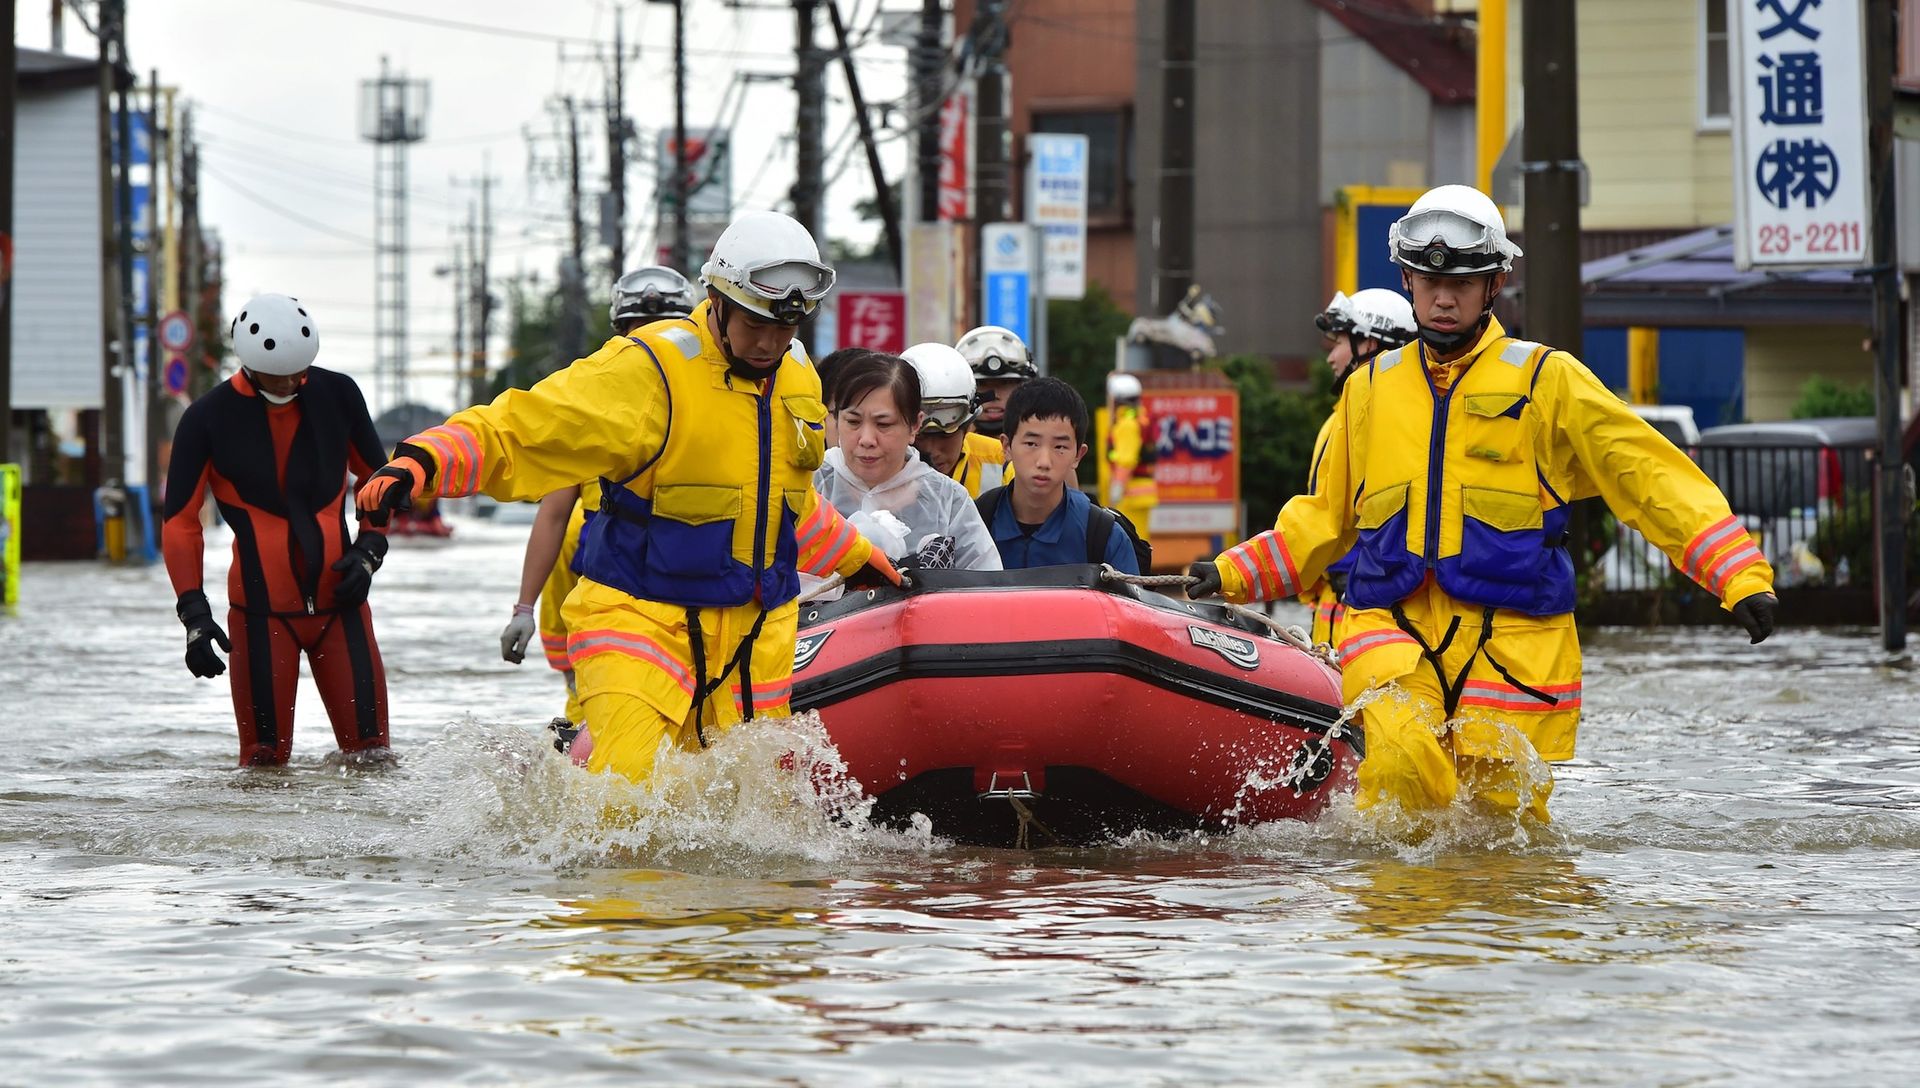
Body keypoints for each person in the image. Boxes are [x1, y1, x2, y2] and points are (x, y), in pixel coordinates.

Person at [1186, 184, 1778, 822]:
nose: (1444, 298)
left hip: (1512, 643)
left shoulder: (1547, 381)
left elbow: (1648, 475)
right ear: (1409, 281)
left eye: (1464, 282)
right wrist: (1228, 573)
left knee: (1499, 826)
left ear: (1495, 284)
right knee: (1399, 775)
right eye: (1429, 280)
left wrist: (1739, 577)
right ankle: (1399, 921)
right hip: (1392, 630)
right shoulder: (1367, 394)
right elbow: (1321, 520)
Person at [358, 210, 899, 783]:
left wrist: (861, 561)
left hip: (751, 641)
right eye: (754, 325)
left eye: (784, 328)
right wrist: (421, 462)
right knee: (626, 805)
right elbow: (522, 427)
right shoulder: (648, 370)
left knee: (750, 819)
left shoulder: (797, 376)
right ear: (717, 299)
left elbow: (785, 505)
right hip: (641, 623)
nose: (769, 342)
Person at [162, 294, 393, 766]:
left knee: (373, 760)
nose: (290, 382)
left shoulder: (338, 395)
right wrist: (194, 615)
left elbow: (380, 479)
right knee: (263, 766)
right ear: (248, 363)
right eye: (278, 374)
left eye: (298, 372)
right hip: (260, 616)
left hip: (341, 605)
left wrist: (370, 546)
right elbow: (182, 523)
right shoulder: (206, 419)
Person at [499, 266, 698, 739]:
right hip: (604, 581)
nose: (654, 346)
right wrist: (524, 609)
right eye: (640, 334)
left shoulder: (721, 398)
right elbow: (553, 514)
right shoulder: (594, 404)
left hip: (690, 582)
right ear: (621, 337)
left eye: (666, 331)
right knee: (597, 710)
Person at [1301, 288, 1418, 646]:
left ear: (1367, 343)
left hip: (1368, 614)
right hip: (1338, 612)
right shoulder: (1343, 418)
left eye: (1338, 342)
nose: (1330, 357)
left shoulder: (1396, 421)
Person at [818, 351, 1001, 571]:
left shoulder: (948, 501)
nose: (866, 439)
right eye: (853, 421)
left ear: (915, 425)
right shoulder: (807, 486)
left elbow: (983, 585)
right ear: (836, 419)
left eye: (883, 424)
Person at [978, 377, 1140, 574]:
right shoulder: (975, 523)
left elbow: (1127, 605)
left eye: (1060, 447)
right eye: (1031, 444)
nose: (1044, 462)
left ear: (1078, 455)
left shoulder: (1103, 535)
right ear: (1006, 447)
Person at [952, 324, 1032, 495]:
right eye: (981, 384)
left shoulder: (1043, 449)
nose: (994, 395)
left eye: (1005, 384)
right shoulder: (944, 448)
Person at [1103, 372, 1158, 544]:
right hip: (1141, 493)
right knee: (1139, 542)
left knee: (1131, 544)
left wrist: (1116, 491)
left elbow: (1126, 461)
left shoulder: (1126, 424)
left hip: (1130, 495)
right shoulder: (1140, 418)